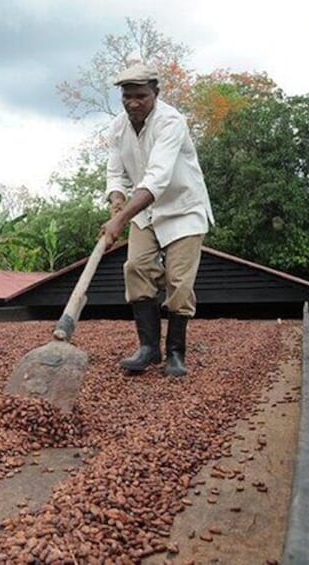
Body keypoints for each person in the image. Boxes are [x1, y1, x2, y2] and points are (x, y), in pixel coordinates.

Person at [99, 62, 214, 377]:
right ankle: (149, 348)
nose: (133, 103)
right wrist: (116, 198)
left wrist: (120, 219)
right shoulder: (118, 127)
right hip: (145, 211)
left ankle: (176, 353)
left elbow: (157, 179)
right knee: (135, 268)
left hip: (182, 209)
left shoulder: (171, 122)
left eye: (141, 96)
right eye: (127, 97)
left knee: (178, 281)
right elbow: (115, 172)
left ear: (156, 93)